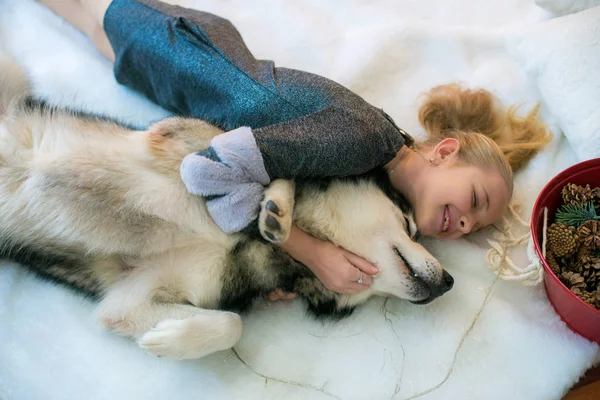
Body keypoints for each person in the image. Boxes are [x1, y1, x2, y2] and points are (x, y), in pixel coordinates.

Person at [38, 0, 551, 299]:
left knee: (108, 29)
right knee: (90, 18)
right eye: (476, 201)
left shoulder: (378, 158)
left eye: (474, 228)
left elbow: (291, 177)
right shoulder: (360, 140)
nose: (463, 225)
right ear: (444, 151)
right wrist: (313, 252)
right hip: (182, 55)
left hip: (201, 64)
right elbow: (208, 171)